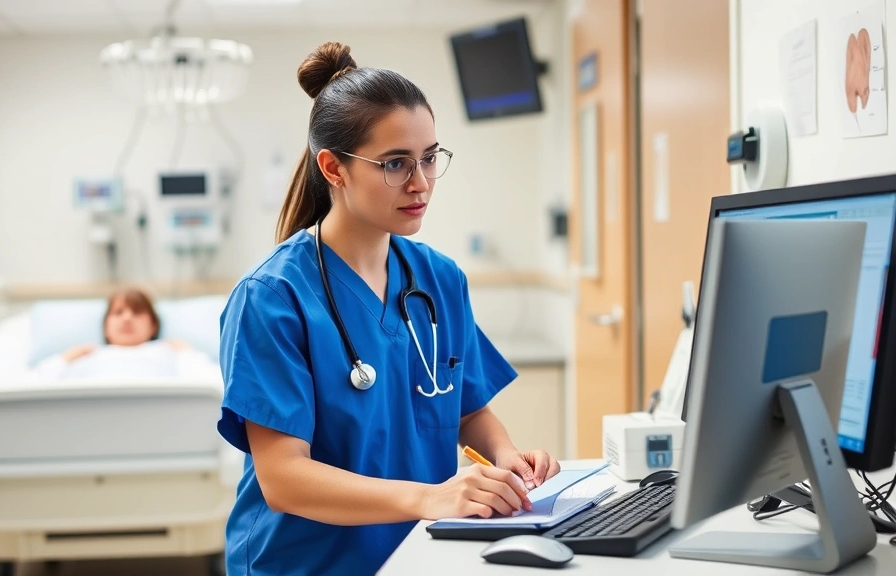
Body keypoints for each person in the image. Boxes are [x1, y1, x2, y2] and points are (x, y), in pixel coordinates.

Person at [216, 41, 561, 575]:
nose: (420, 182)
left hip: (416, 553)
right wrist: (430, 498)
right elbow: (283, 479)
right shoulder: (272, 298)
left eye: (429, 158)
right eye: (396, 163)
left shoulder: (440, 280)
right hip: (306, 563)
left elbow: (466, 408)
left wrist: (505, 455)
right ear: (332, 168)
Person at [34, 288, 203, 381]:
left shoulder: (168, 352)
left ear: (153, 326)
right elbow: (35, 386)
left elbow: (210, 385)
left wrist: (185, 353)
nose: (127, 318)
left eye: (137, 312)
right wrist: (64, 359)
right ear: (105, 327)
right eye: (118, 312)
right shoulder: (87, 355)